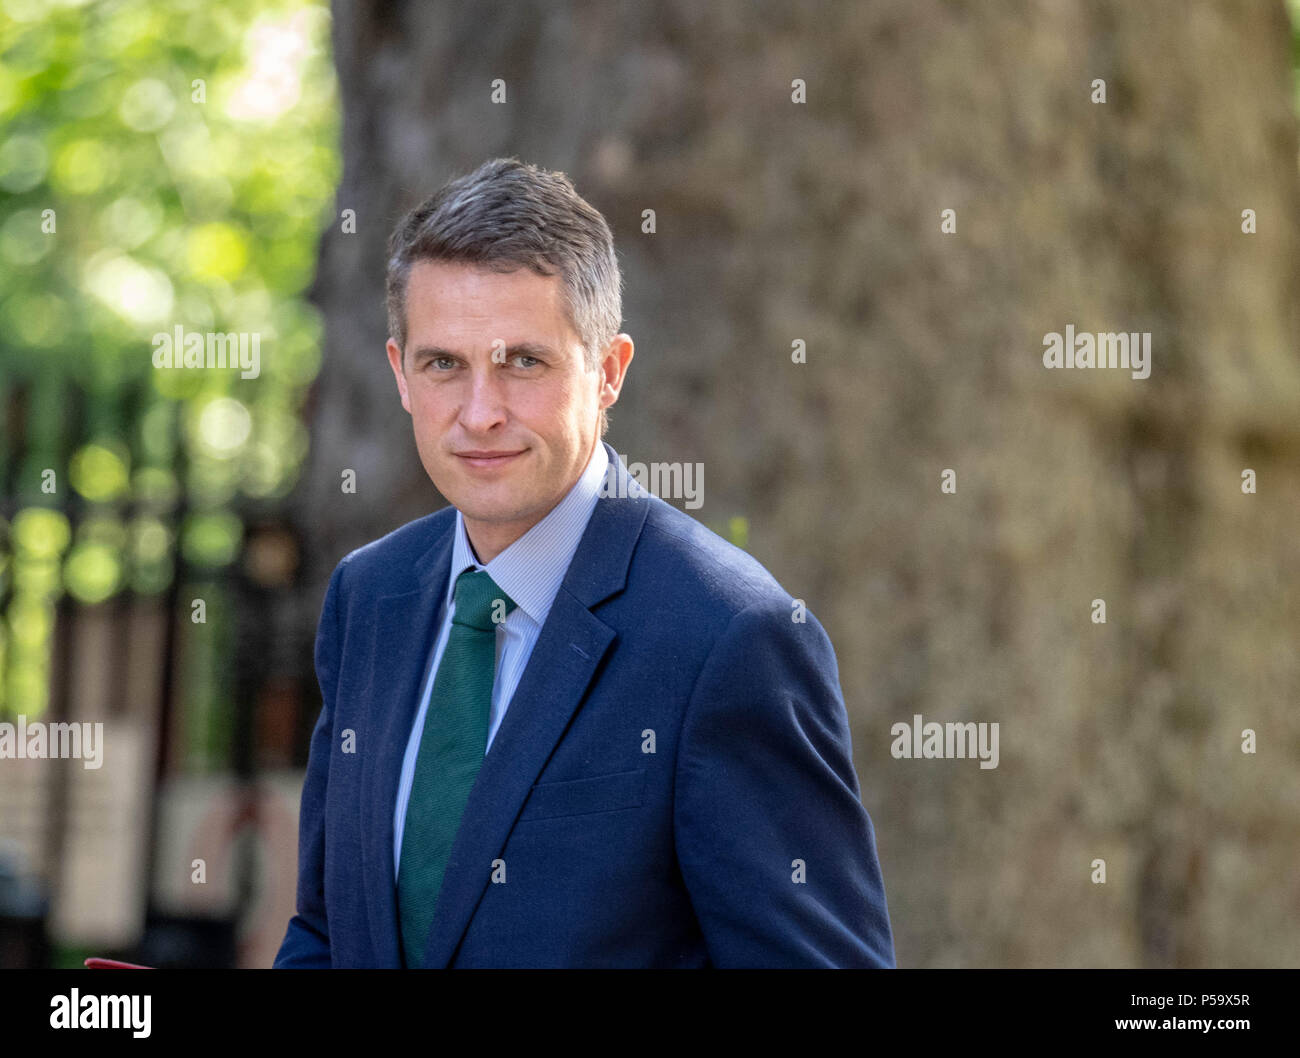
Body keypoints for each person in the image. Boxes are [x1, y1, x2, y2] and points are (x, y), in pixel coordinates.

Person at [273, 157, 895, 968]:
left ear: (608, 373)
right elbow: (327, 933)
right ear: (399, 374)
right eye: (444, 365)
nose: (480, 413)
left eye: (522, 362)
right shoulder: (370, 597)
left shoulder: (730, 639)